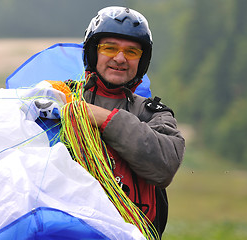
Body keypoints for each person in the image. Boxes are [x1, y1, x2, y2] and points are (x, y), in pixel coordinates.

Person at [79, 6, 185, 238]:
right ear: (92, 52)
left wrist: (105, 119)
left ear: (142, 60)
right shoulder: (61, 99)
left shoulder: (154, 115)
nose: (120, 58)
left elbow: (165, 165)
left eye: (132, 52)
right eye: (109, 48)